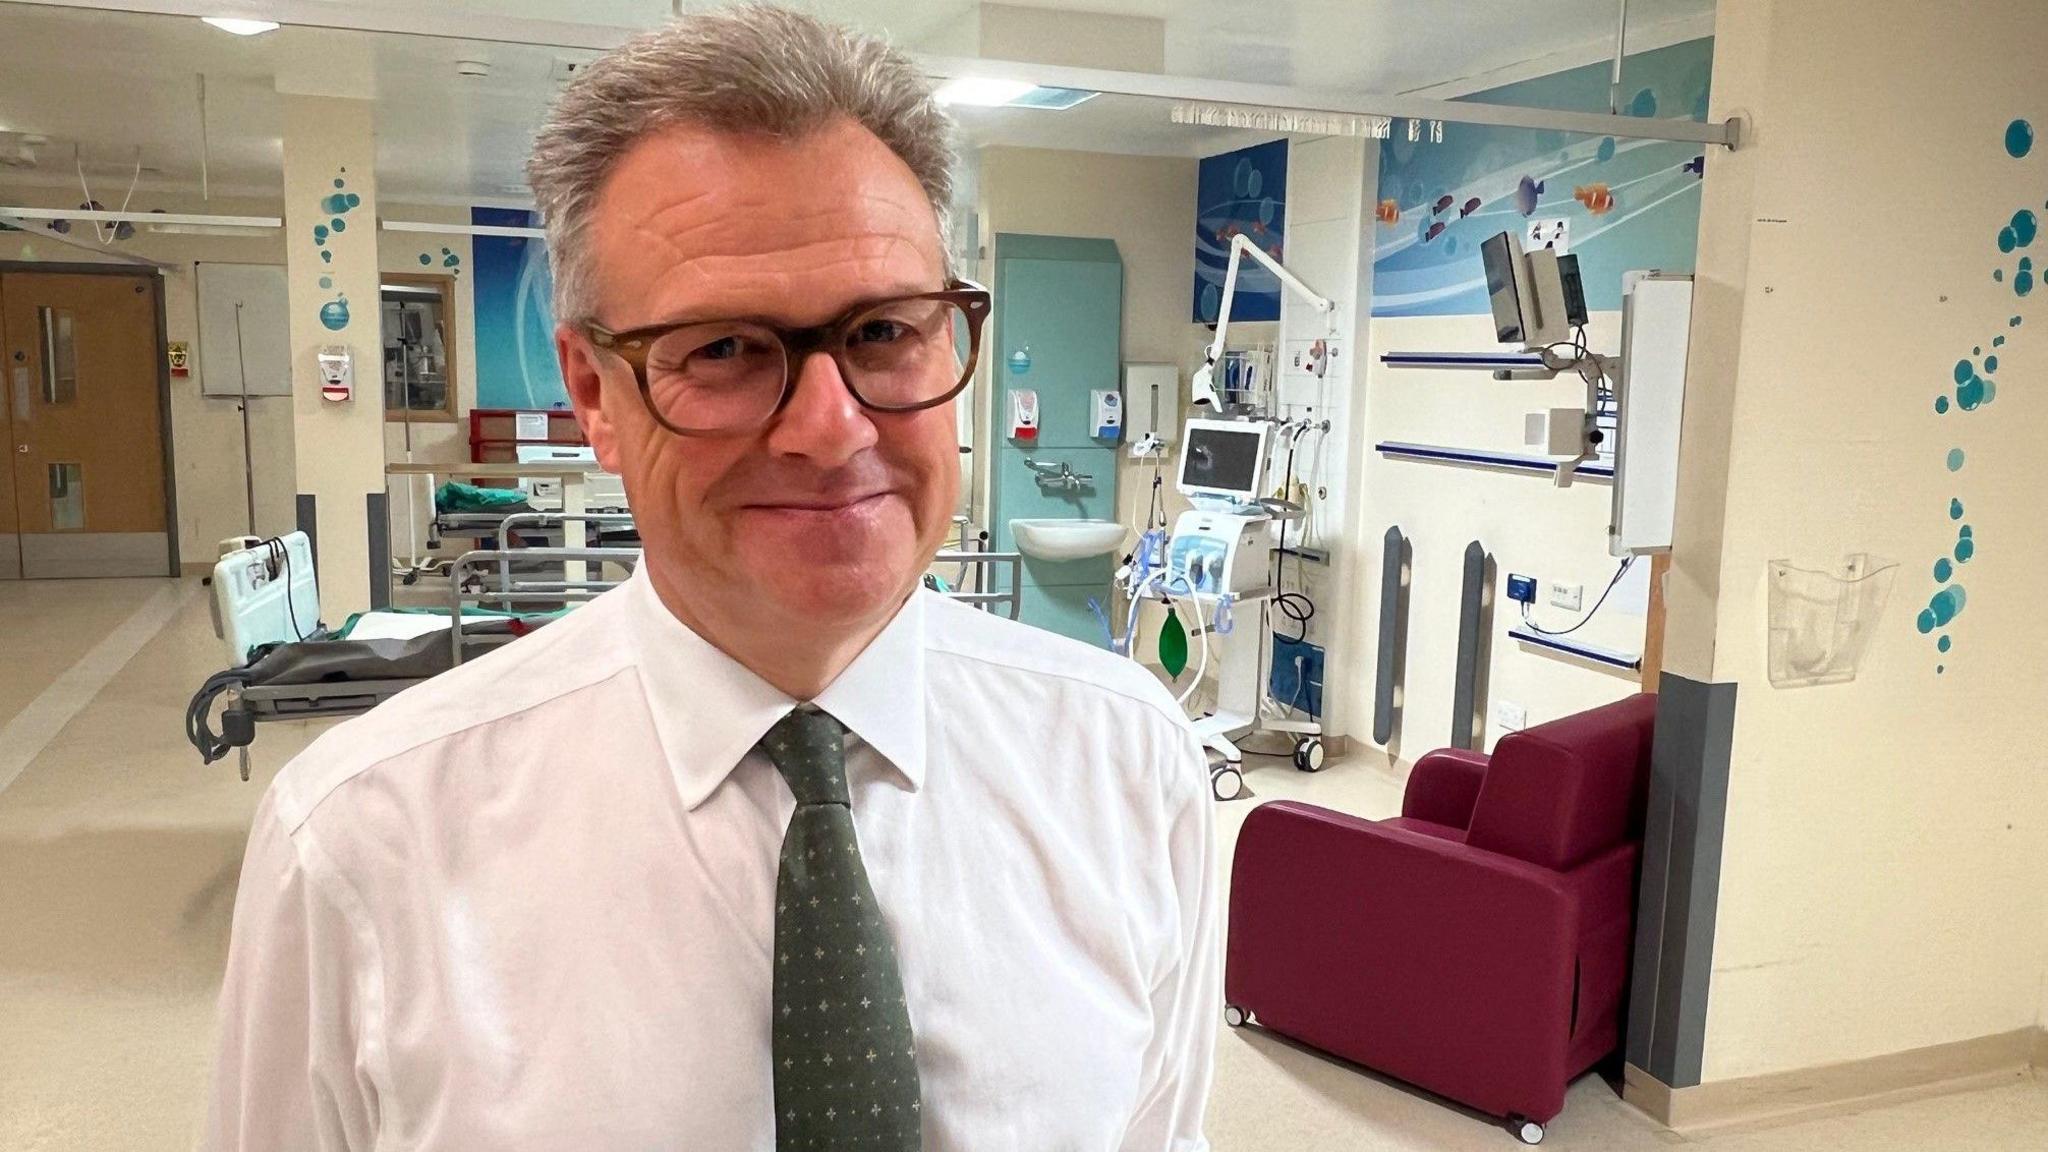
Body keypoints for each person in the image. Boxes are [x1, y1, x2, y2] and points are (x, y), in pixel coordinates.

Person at [206, 6, 1217, 1150]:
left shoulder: (1129, 767)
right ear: (593, 391)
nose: (831, 432)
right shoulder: (362, 842)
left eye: (885, 330)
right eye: (726, 350)